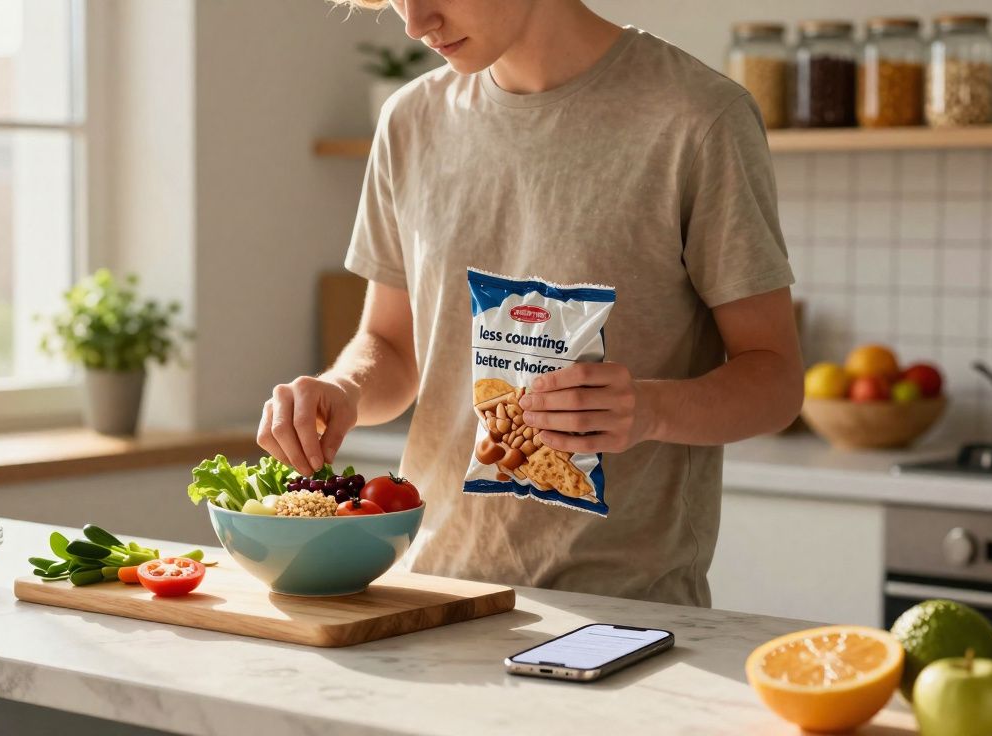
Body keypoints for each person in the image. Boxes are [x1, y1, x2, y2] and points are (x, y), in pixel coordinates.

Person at [256, 0, 803, 606]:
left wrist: (651, 410)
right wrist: (345, 389)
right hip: (433, 593)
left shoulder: (699, 117)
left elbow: (776, 379)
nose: (414, 23)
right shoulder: (410, 120)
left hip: (623, 612)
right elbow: (391, 344)